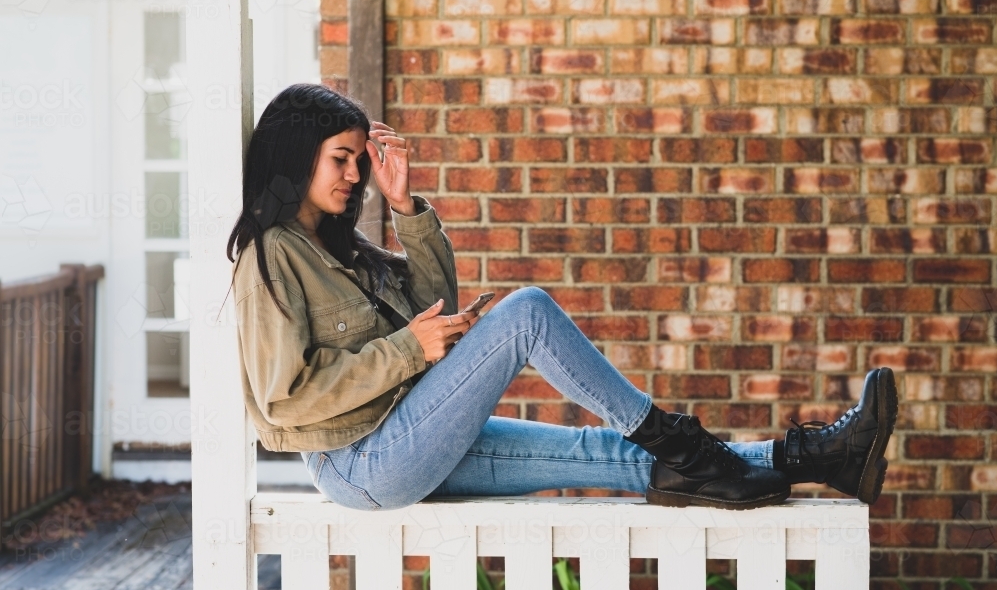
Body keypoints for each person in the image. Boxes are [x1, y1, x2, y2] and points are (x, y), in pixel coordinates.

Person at [228, 83, 898, 512]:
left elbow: (434, 304)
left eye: (358, 160)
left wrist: (405, 206)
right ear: (295, 157)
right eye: (339, 158)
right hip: (362, 460)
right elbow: (287, 395)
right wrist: (406, 350)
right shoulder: (269, 255)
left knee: (600, 454)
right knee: (526, 312)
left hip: (406, 435)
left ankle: (818, 459)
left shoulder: (339, 250)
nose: (354, 175)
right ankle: (673, 432)